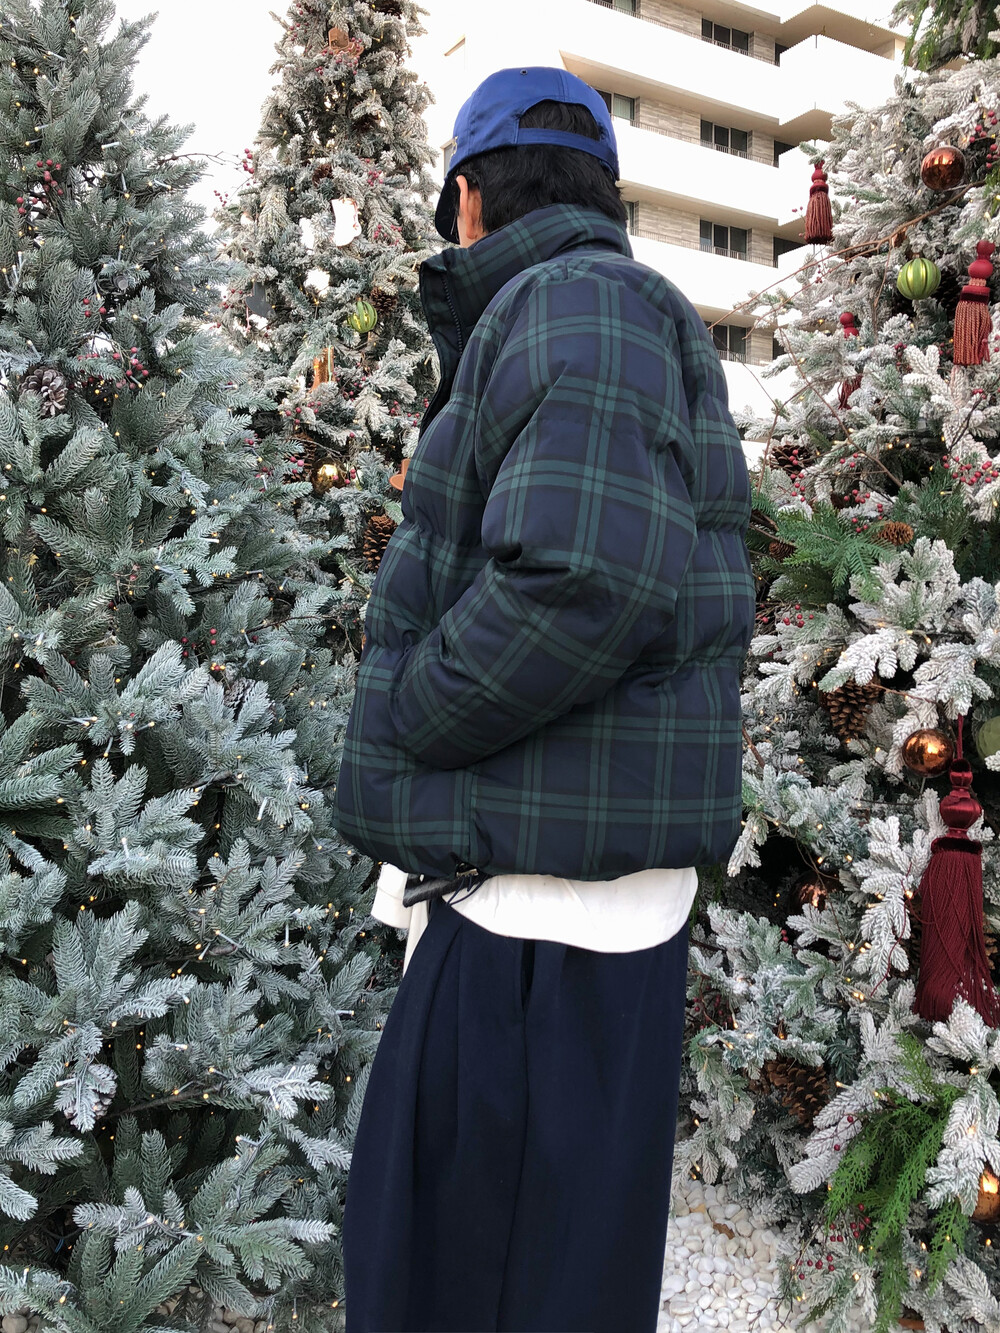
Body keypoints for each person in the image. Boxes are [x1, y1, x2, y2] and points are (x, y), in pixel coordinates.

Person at [332, 66, 754, 1333]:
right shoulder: (597, 304)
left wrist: (409, 712)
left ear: (469, 194)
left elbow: (581, 578)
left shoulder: (577, 302)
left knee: (445, 1283)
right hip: (549, 905)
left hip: (538, 932)